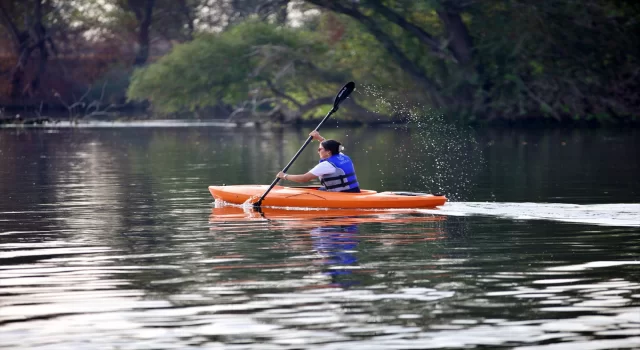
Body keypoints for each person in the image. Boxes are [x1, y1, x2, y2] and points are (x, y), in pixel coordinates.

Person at [277, 131, 361, 193]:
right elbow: (329, 146)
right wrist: (319, 138)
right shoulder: (342, 156)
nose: (318, 151)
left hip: (342, 195)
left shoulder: (326, 165)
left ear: (328, 152)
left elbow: (304, 178)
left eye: (319, 149)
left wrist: (284, 176)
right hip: (354, 191)